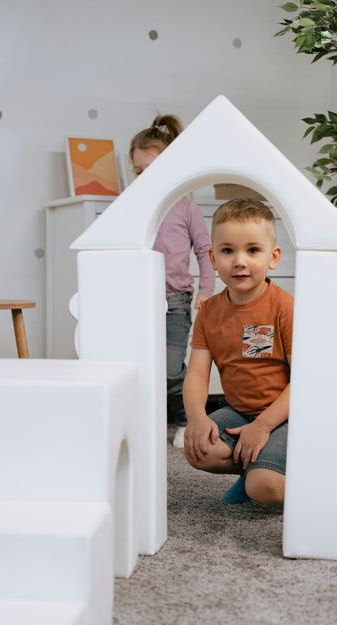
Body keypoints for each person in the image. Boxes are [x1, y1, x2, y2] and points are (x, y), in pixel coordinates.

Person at [182, 198, 293, 505]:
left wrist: (263, 426)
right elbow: (196, 375)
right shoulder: (208, 312)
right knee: (199, 450)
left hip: (286, 416)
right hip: (240, 411)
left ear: (273, 257)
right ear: (213, 258)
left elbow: (305, 382)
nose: (240, 261)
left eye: (253, 250)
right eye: (228, 250)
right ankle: (257, 463)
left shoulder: (284, 307)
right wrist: (197, 418)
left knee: (264, 488)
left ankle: (273, 470)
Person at [129, 114, 215, 449]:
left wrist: (206, 289)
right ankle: (141, 421)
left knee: (168, 367)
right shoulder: (132, 206)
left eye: (151, 171)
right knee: (137, 364)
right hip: (138, 298)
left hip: (175, 299)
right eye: (137, 172)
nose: (143, 179)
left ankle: (184, 419)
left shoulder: (185, 208)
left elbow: (205, 251)